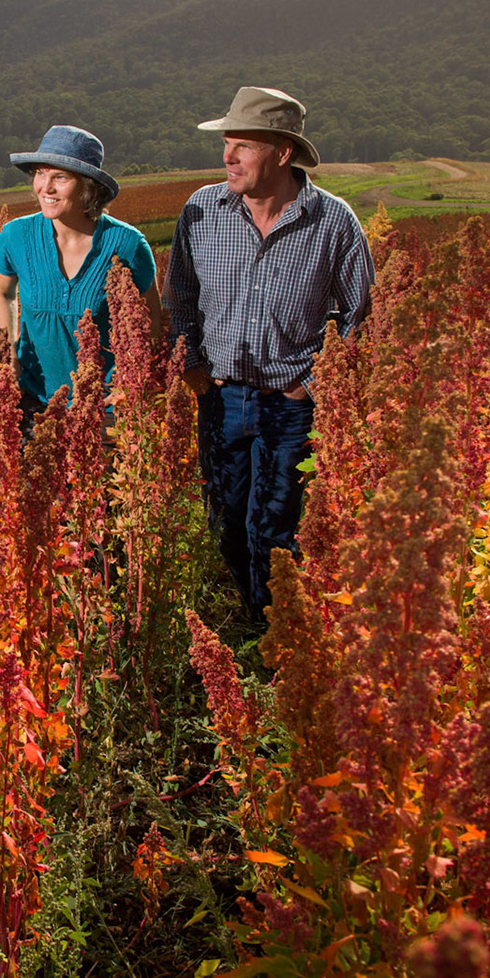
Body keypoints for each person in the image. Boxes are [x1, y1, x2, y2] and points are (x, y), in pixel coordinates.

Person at [165, 87, 374, 615]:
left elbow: (363, 317)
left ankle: (275, 633)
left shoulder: (334, 221)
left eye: (243, 145)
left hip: (293, 404)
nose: (227, 156)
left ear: (282, 152)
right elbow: (180, 297)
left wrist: (315, 384)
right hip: (222, 397)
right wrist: (189, 362)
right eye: (227, 143)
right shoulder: (202, 212)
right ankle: (253, 614)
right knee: (228, 518)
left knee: (280, 524)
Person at [0, 125, 160, 417]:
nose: (46, 187)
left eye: (60, 177)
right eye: (40, 174)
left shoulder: (127, 244)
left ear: (88, 186)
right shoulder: (15, 236)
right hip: (34, 398)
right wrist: (9, 352)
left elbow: (153, 320)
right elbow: (2, 293)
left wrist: (129, 385)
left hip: (104, 407)